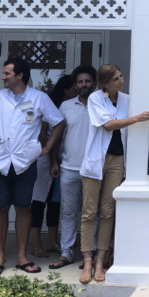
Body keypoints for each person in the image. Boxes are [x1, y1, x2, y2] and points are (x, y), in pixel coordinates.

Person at [0, 57, 66, 277]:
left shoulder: (39, 98)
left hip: (26, 163)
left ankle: (23, 257)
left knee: (24, 208)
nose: (2, 77)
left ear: (20, 75)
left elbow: (59, 122)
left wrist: (46, 148)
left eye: (6, 73)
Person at [79, 64, 149, 284]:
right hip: (96, 160)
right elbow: (108, 125)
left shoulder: (127, 99)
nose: (121, 81)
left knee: (108, 211)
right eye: (116, 79)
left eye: (121, 77)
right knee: (89, 211)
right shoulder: (95, 99)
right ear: (104, 83)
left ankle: (101, 260)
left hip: (118, 160)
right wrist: (136, 119)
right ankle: (87, 260)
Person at [48, 66, 97, 270]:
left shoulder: (101, 105)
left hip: (94, 168)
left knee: (91, 212)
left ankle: (90, 252)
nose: (83, 85)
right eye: (80, 82)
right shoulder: (65, 106)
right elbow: (57, 136)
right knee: (68, 212)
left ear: (94, 83)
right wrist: (54, 162)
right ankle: (66, 252)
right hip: (69, 168)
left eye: (87, 81)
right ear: (75, 84)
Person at [31, 74, 76, 258]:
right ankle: (35, 243)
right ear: (65, 89)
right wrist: (52, 159)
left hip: (61, 161)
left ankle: (52, 242)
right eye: (73, 87)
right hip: (45, 159)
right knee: (39, 202)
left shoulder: (73, 108)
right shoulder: (50, 105)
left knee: (55, 203)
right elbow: (43, 135)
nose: (76, 90)